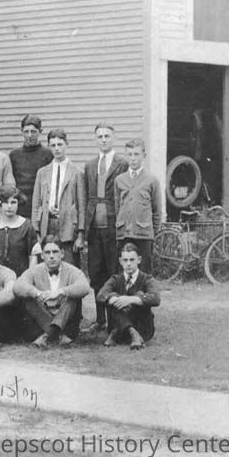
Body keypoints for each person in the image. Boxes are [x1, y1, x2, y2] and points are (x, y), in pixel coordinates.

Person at [84, 122, 129, 334]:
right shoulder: (90, 165)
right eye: (100, 136)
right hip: (94, 226)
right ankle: (100, 319)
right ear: (96, 139)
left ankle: (115, 320)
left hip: (113, 224)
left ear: (114, 138)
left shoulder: (122, 164)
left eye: (107, 136)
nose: (103, 139)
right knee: (96, 272)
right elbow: (87, 197)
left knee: (113, 271)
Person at [13, 234, 91, 348]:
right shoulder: (35, 270)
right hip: (43, 316)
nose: (51, 256)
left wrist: (61, 292)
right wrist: (37, 293)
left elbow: (85, 286)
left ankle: (49, 334)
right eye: (47, 252)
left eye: (55, 252)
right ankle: (56, 334)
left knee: (73, 298)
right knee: (28, 299)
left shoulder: (72, 270)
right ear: (42, 255)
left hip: (65, 316)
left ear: (62, 253)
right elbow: (17, 285)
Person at [32, 129, 86, 265]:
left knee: (69, 264)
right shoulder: (42, 172)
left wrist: (80, 234)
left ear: (67, 144)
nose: (57, 148)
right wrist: (36, 231)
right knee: (47, 264)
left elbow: (81, 205)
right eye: (53, 145)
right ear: (49, 146)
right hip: (48, 224)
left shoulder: (77, 172)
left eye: (60, 144)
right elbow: (36, 203)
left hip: (68, 226)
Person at [96, 243, 162, 350]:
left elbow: (156, 298)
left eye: (132, 260)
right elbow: (100, 295)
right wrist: (115, 299)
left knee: (139, 295)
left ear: (139, 260)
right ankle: (132, 332)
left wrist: (131, 300)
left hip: (142, 330)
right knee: (115, 299)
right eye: (125, 260)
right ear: (120, 261)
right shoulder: (115, 279)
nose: (129, 264)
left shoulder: (147, 279)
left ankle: (130, 332)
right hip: (119, 332)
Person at [114, 138, 162, 271]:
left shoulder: (152, 180)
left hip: (144, 236)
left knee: (144, 272)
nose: (133, 158)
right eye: (129, 154)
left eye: (136, 154)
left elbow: (157, 211)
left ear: (144, 155)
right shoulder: (119, 180)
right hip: (124, 235)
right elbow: (118, 207)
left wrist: (152, 233)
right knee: (124, 272)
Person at [0, 185, 39, 276]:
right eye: (5, 202)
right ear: (0, 203)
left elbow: (33, 257)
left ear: (18, 204)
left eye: (13, 202)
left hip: (20, 276)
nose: (9, 206)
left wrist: (27, 278)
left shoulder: (26, 226)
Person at [9, 114, 54, 218]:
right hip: (20, 208)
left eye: (33, 131)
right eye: (26, 131)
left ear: (40, 131)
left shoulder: (48, 154)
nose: (29, 135)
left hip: (40, 208)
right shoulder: (14, 155)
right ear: (21, 131)